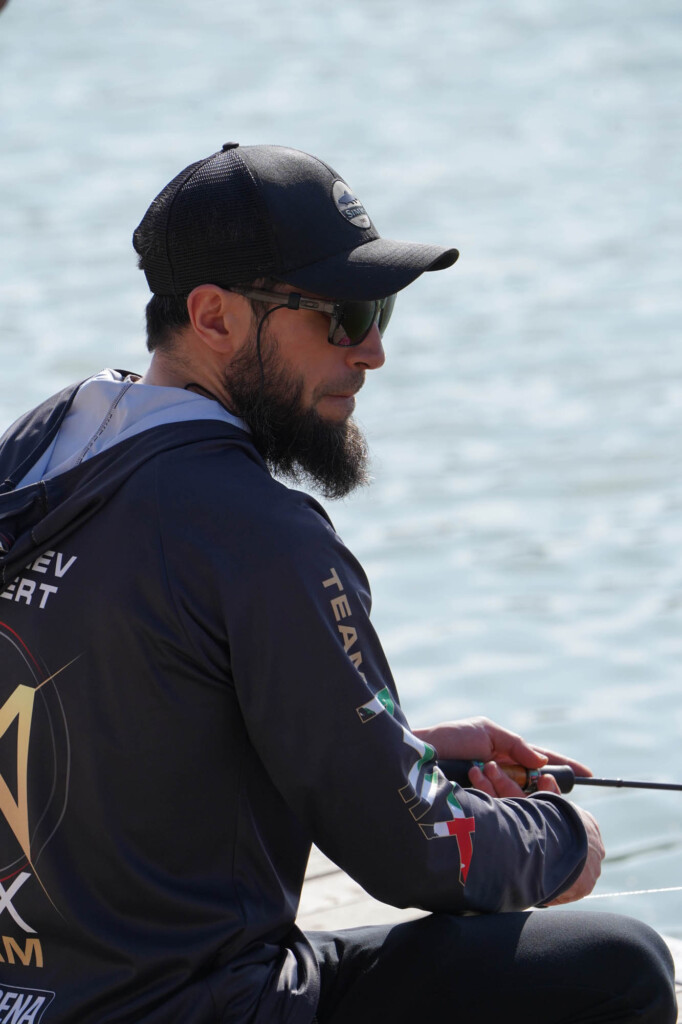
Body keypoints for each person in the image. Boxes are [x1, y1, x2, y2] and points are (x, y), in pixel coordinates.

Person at [0, 142, 675, 1024]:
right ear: (214, 317)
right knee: (619, 966)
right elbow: (415, 854)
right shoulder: (256, 531)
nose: (374, 352)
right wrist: (561, 839)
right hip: (198, 1006)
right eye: (342, 315)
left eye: (381, 309)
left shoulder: (38, 455)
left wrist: (401, 750)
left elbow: (122, 735)